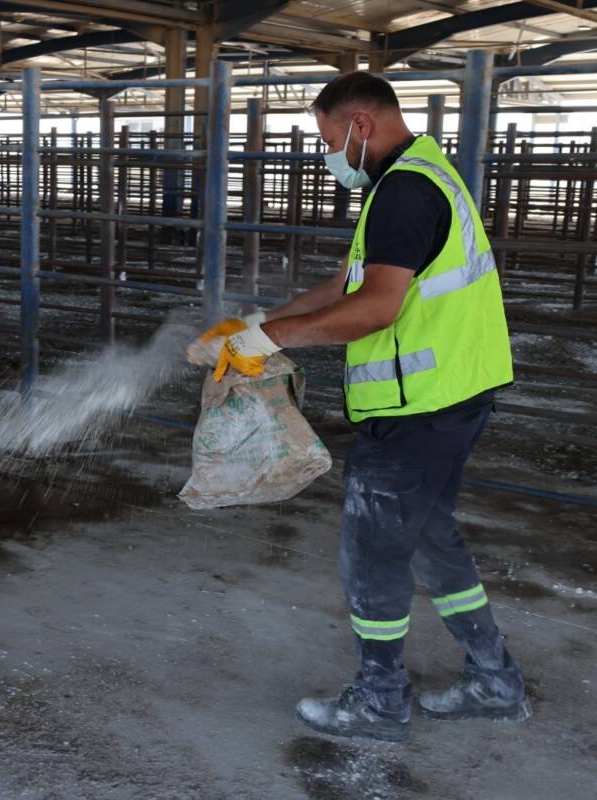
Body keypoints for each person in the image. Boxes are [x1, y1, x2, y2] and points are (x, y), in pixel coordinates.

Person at [190, 71, 529, 743]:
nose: (329, 154)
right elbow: (351, 281)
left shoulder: (403, 191)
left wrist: (267, 340)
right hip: (454, 397)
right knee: (431, 538)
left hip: (417, 409)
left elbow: (374, 310)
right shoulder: (422, 173)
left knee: (372, 551)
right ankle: (495, 679)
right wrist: (261, 319)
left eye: (327, 138)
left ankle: (379, 700)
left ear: (360, 126)